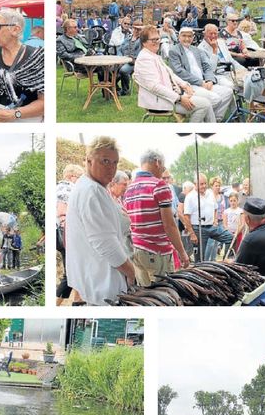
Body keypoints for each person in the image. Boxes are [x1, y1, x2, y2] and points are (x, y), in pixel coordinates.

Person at [64, 135, 136, 303]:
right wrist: (131, 272)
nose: (111, 168)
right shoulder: (92, 192)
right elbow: (106, 244)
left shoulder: (91, 187)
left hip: (98, 280)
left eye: (115, 162)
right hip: (104, 284)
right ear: (89, 161)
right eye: (105, 161)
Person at [123, 149, 192, 274]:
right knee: (164, 290)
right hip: (157, 254)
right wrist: (182, 252)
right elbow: (169, 225)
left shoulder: (130, 188)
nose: (162, 171)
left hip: (137, 251)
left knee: (146, 292)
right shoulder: (159, 185)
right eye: (163, 167)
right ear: (157, 162)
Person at [133, 28, 220, 120]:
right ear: (144, 42)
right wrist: (179, 98)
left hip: (171, 96)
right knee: (204, 104)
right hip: (160, 102)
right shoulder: (145, 59)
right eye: (153, 40)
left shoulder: (152, 55)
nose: (157, 42)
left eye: (158, 39)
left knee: (206, 102)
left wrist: (185, 85)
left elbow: (170, 74)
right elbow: (154, 87)